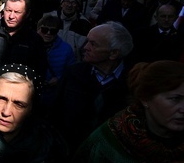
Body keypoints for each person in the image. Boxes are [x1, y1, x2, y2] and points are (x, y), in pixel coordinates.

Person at [54, 21, 134, 151]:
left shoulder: (132, 82)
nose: (85, 47)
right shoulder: (73, 73)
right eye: (87, 41)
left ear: (113, 53)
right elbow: (55, 111)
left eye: (93, 44)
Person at [0, 0, 48, 77]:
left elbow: (39, 72)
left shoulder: (34, 40)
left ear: (26, 14)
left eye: (17, 12)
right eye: (9, 11)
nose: (11, 16)